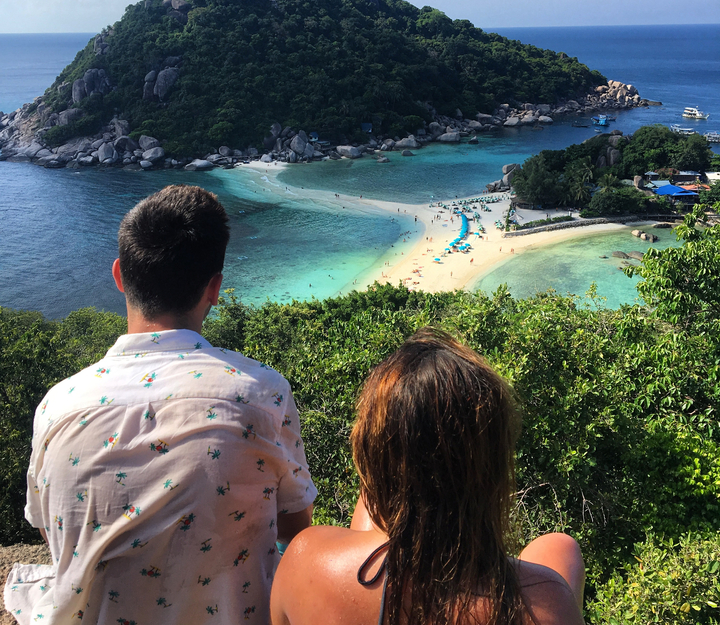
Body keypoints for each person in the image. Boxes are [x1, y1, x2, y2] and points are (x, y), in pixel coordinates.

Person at [6, 185, 316, 625]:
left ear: (118, 275)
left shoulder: (58, 405)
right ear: (214, 289)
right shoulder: (262, 393)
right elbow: (295, 530)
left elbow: (50, 530)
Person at [270, 329, 584, 625]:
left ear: (368, 453)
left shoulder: (304, 559)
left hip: (360, 590)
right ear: (493, 466)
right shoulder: (547, 603)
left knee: (369, 504)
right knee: (560, 547)